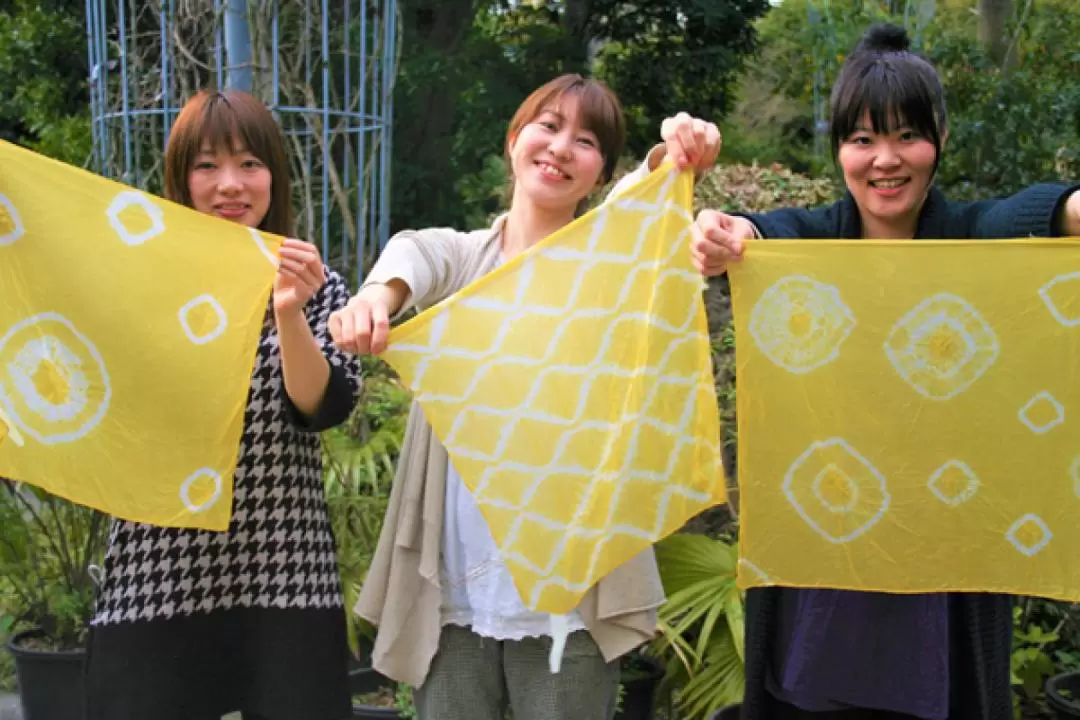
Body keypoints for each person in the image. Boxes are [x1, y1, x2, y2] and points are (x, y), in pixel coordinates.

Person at [683, 23, 1080, 720]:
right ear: (839, 149)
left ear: (941, 139)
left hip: (943, 580)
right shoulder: (809, 243)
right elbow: (756, 235)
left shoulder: (969, 241)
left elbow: (1038, 216)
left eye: (907, 135)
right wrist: (727, 233)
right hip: (823, 573)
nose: (885, 160)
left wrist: (1069, 208)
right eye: (862, 139)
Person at [327, 73, 720, 720]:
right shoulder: (460, 260)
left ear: (598, 174)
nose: (563, 147)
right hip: (455, 588)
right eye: (549, 125)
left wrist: (676, 150)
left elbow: (643, 199)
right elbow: (412, 254)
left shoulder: (606, 262)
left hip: (574, 598)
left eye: (587, 140)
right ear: (514, 139)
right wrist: (374, 299)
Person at [84, 89, 362, 720]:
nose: (229, 185)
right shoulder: (140, 279)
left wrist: (287, 311)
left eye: (249, 163)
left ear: (273, 175)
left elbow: (322, 405)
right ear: (181, 179)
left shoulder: (314, 281)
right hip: (160, 560)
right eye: (206, 165)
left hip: (282, 559)